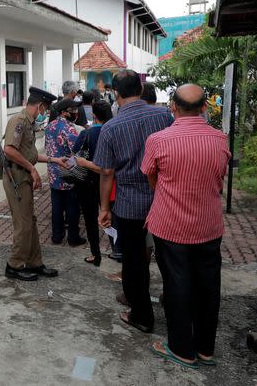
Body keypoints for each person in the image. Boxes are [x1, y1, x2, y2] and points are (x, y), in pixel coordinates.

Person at [142, 84, 230, 369]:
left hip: (170, 226)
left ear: (173, 108)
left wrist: (170, 192)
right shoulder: (220, 139)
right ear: (205, 107)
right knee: (208, 287)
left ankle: (181, 349)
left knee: (177, 285)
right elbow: (219, 177)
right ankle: (205, 349)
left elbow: (151, 178)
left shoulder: (158, 140)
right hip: (208, 225)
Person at [92, 70, 173, 334]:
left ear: (116, 93)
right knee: (169, 256)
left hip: (129, 202)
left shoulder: (110, 128)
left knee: (135, 261)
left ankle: (142, 316)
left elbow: (106, 173)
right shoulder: (163, 116)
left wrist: (104, 209)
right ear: (140, 88)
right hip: (164, 196)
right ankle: (176, 310)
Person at [1, 87, 68, 281]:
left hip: (23, 176)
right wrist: (31, 169)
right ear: (39, 106)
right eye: (45, 109)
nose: (45, 113)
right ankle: (14, 265)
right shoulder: (20, 121)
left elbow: (29, 154)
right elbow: (9, 150)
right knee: (23, 224)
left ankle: (34, 262)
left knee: (30, 221)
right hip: (16, 177)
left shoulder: (28, 123)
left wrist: (55, 160)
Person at [72, 100, 114, 266]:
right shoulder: (113, 130)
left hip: (88, 181)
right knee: (111, 216)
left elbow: (75, 152)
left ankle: (96, 255)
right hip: (110, 181)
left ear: (94, 116)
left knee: (90, 219)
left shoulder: (87, 133)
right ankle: (117, 250)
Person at [45, 99, 86, 247]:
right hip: (68, 171)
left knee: (56, 205)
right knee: (72, 206)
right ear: (63, 112)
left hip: (53, 171)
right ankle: (73, 238)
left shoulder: (50, 126)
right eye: (73, 109)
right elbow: (77, 150)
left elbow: (48, 147)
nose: (76, 112)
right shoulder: (69, 128)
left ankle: (57, 236)